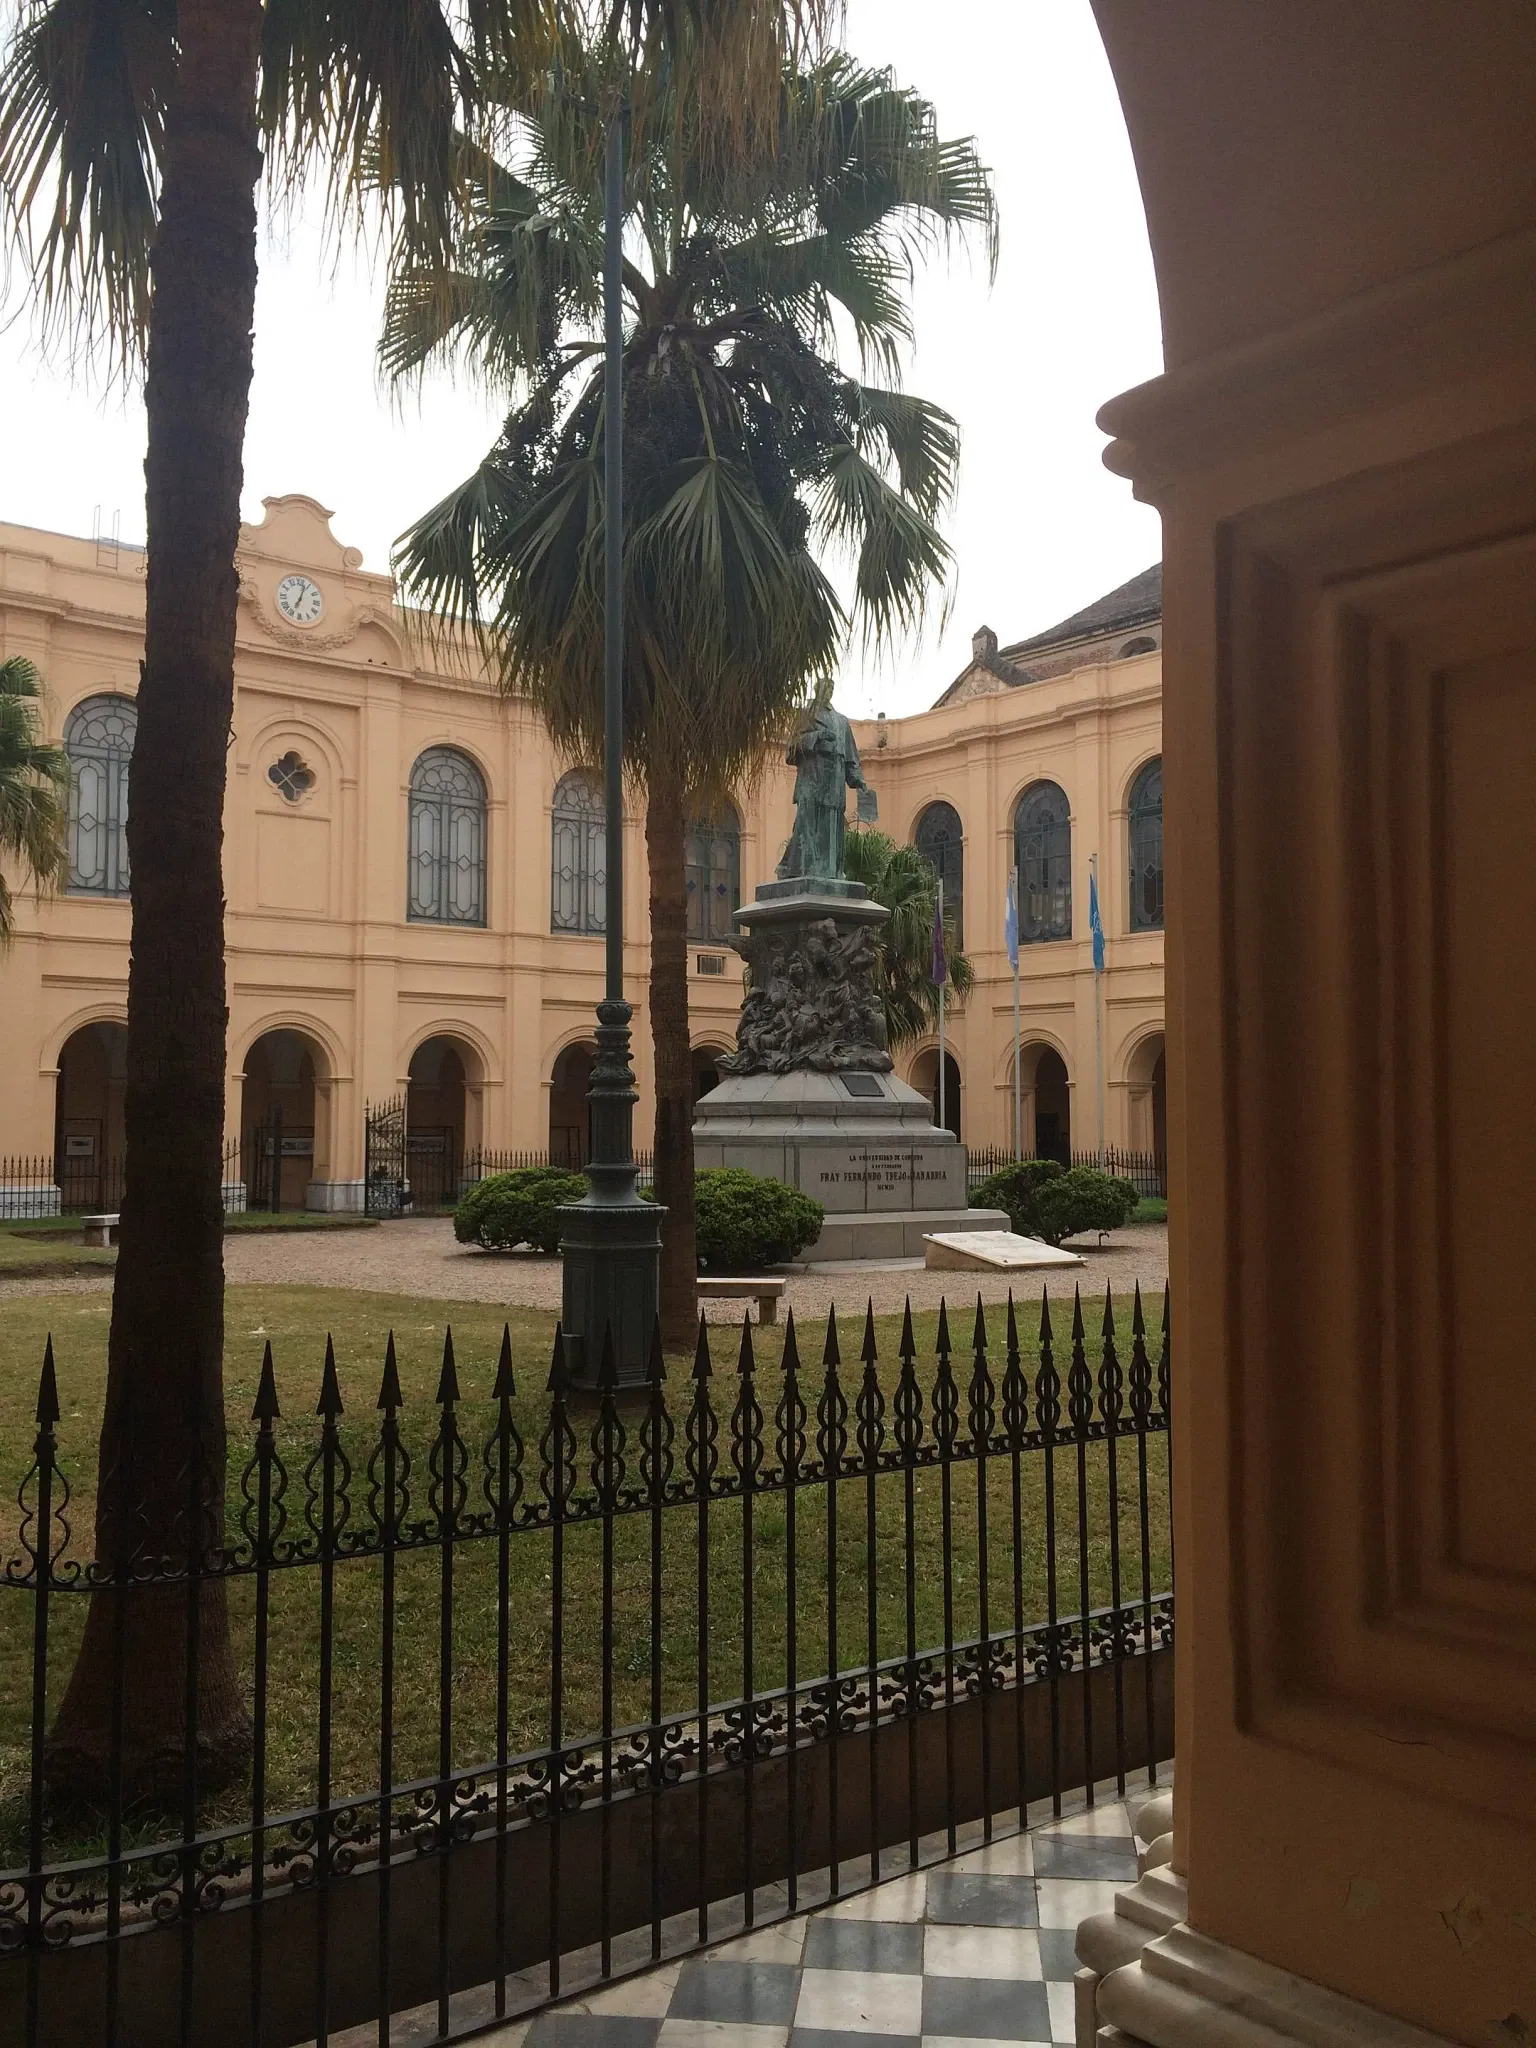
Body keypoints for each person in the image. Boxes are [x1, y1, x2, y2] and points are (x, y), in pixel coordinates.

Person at [777, 703, 869, 883]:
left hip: (834, 780)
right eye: (823, 687)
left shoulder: (841, 721)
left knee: (832, 825)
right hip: (811, 777)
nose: (827, 691)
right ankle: (795, 867)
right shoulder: (806, 714)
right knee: (806, 824)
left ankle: (829, 871)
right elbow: (792, 750)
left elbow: (851, 757)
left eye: (830, 688)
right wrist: (818, 737)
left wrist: (857, 778)